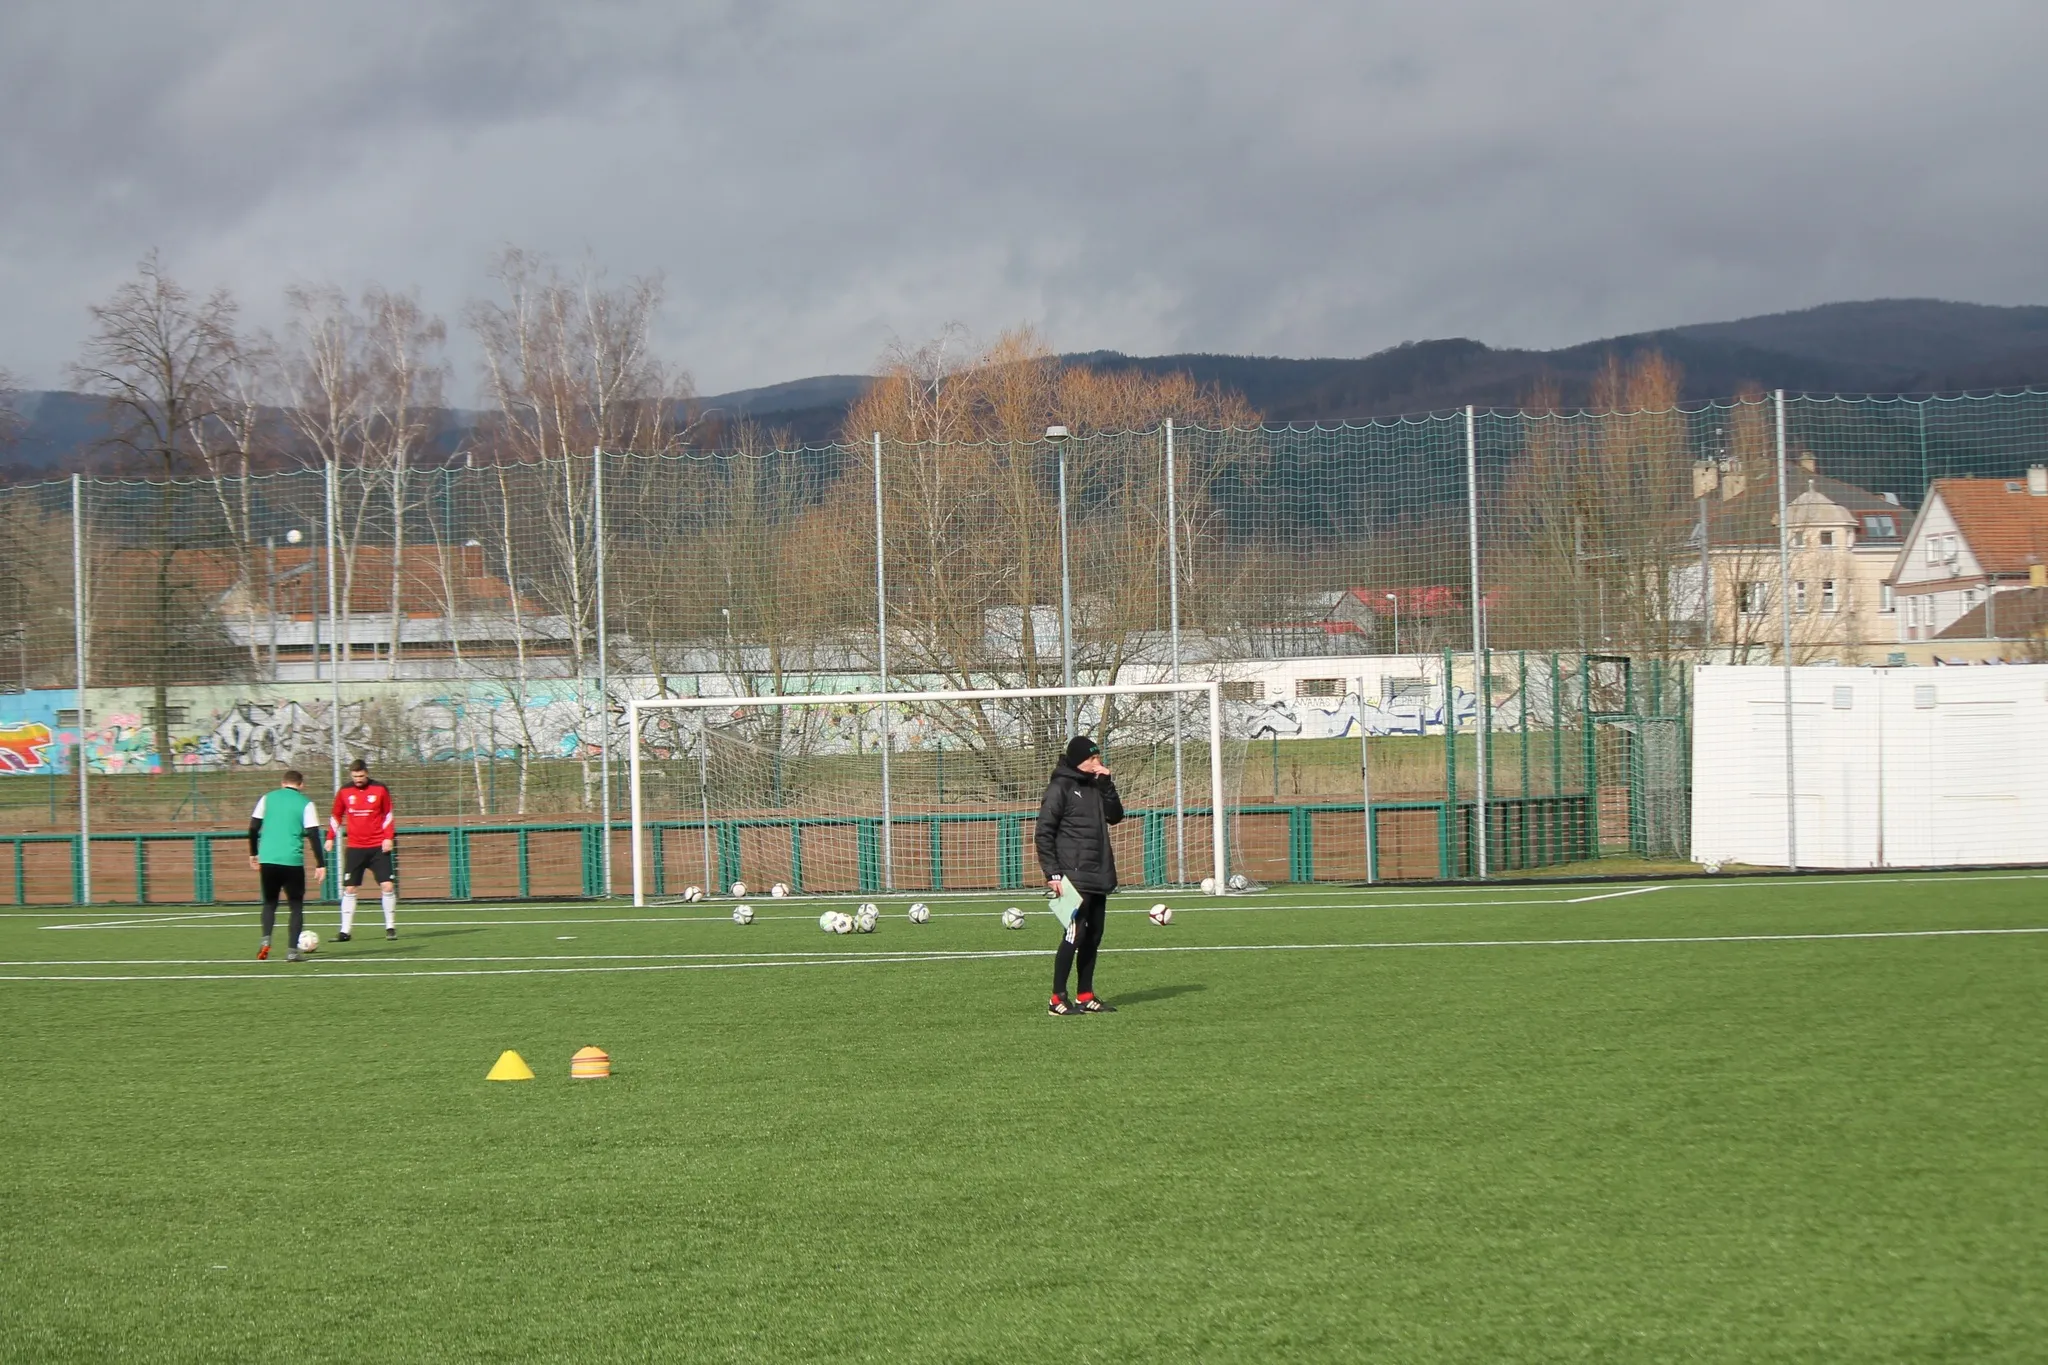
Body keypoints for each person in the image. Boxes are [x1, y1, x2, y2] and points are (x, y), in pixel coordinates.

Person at [1035, 735, 1124, 1015]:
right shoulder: (1060, 787)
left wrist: (1107, 784)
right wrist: (1052, 873)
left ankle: (1085, 995)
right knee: (1074, 933)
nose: (1097, 762)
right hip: (1072, 874)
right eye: (1092, 758)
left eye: (1098, 757)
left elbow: (1115, 816)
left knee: (1094, 935)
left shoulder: (1097, 785)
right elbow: (1044, 832)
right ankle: (1057, 999)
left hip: (1097, 871)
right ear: (1077, 761)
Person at [249, 769, 326, 961]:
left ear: (282, 783)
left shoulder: (267, 798)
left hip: (268, 859)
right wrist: (320, 863)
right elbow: (314, 835)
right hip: (292, 861)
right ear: (301, 785)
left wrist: (253, 853)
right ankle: (292, 951)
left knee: (269, 903)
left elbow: (253, 828)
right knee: (296, 906)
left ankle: (266, 940)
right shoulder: (306, 803)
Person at [330, 758, 398, 941]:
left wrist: (388, 837)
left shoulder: (380, 789)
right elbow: (336, 815)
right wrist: (330, 837)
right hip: (355, 847)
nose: (358, 779)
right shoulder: (344, 791)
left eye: (361, 776)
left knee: (387, 885)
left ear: (366, 773)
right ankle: (345, 931)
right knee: (350, 888)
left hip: (378, 846)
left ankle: (390, 927)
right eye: (355, 776)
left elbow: (388, 814)